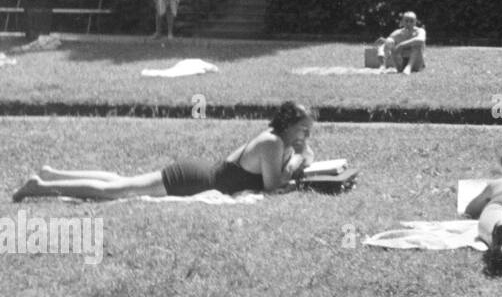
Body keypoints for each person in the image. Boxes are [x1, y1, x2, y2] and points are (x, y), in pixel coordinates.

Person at [14, 102, 315, 201]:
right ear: (288, 126)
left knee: (120, 180)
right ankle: (40, 186)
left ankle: (53, 174)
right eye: (303, 129)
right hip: (193, 180)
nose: (306, 134)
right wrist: (299, 159)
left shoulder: (281, 142)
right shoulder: (273, 143)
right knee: (116, 191)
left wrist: (300, 153)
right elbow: (273, 185)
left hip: (200, 173)